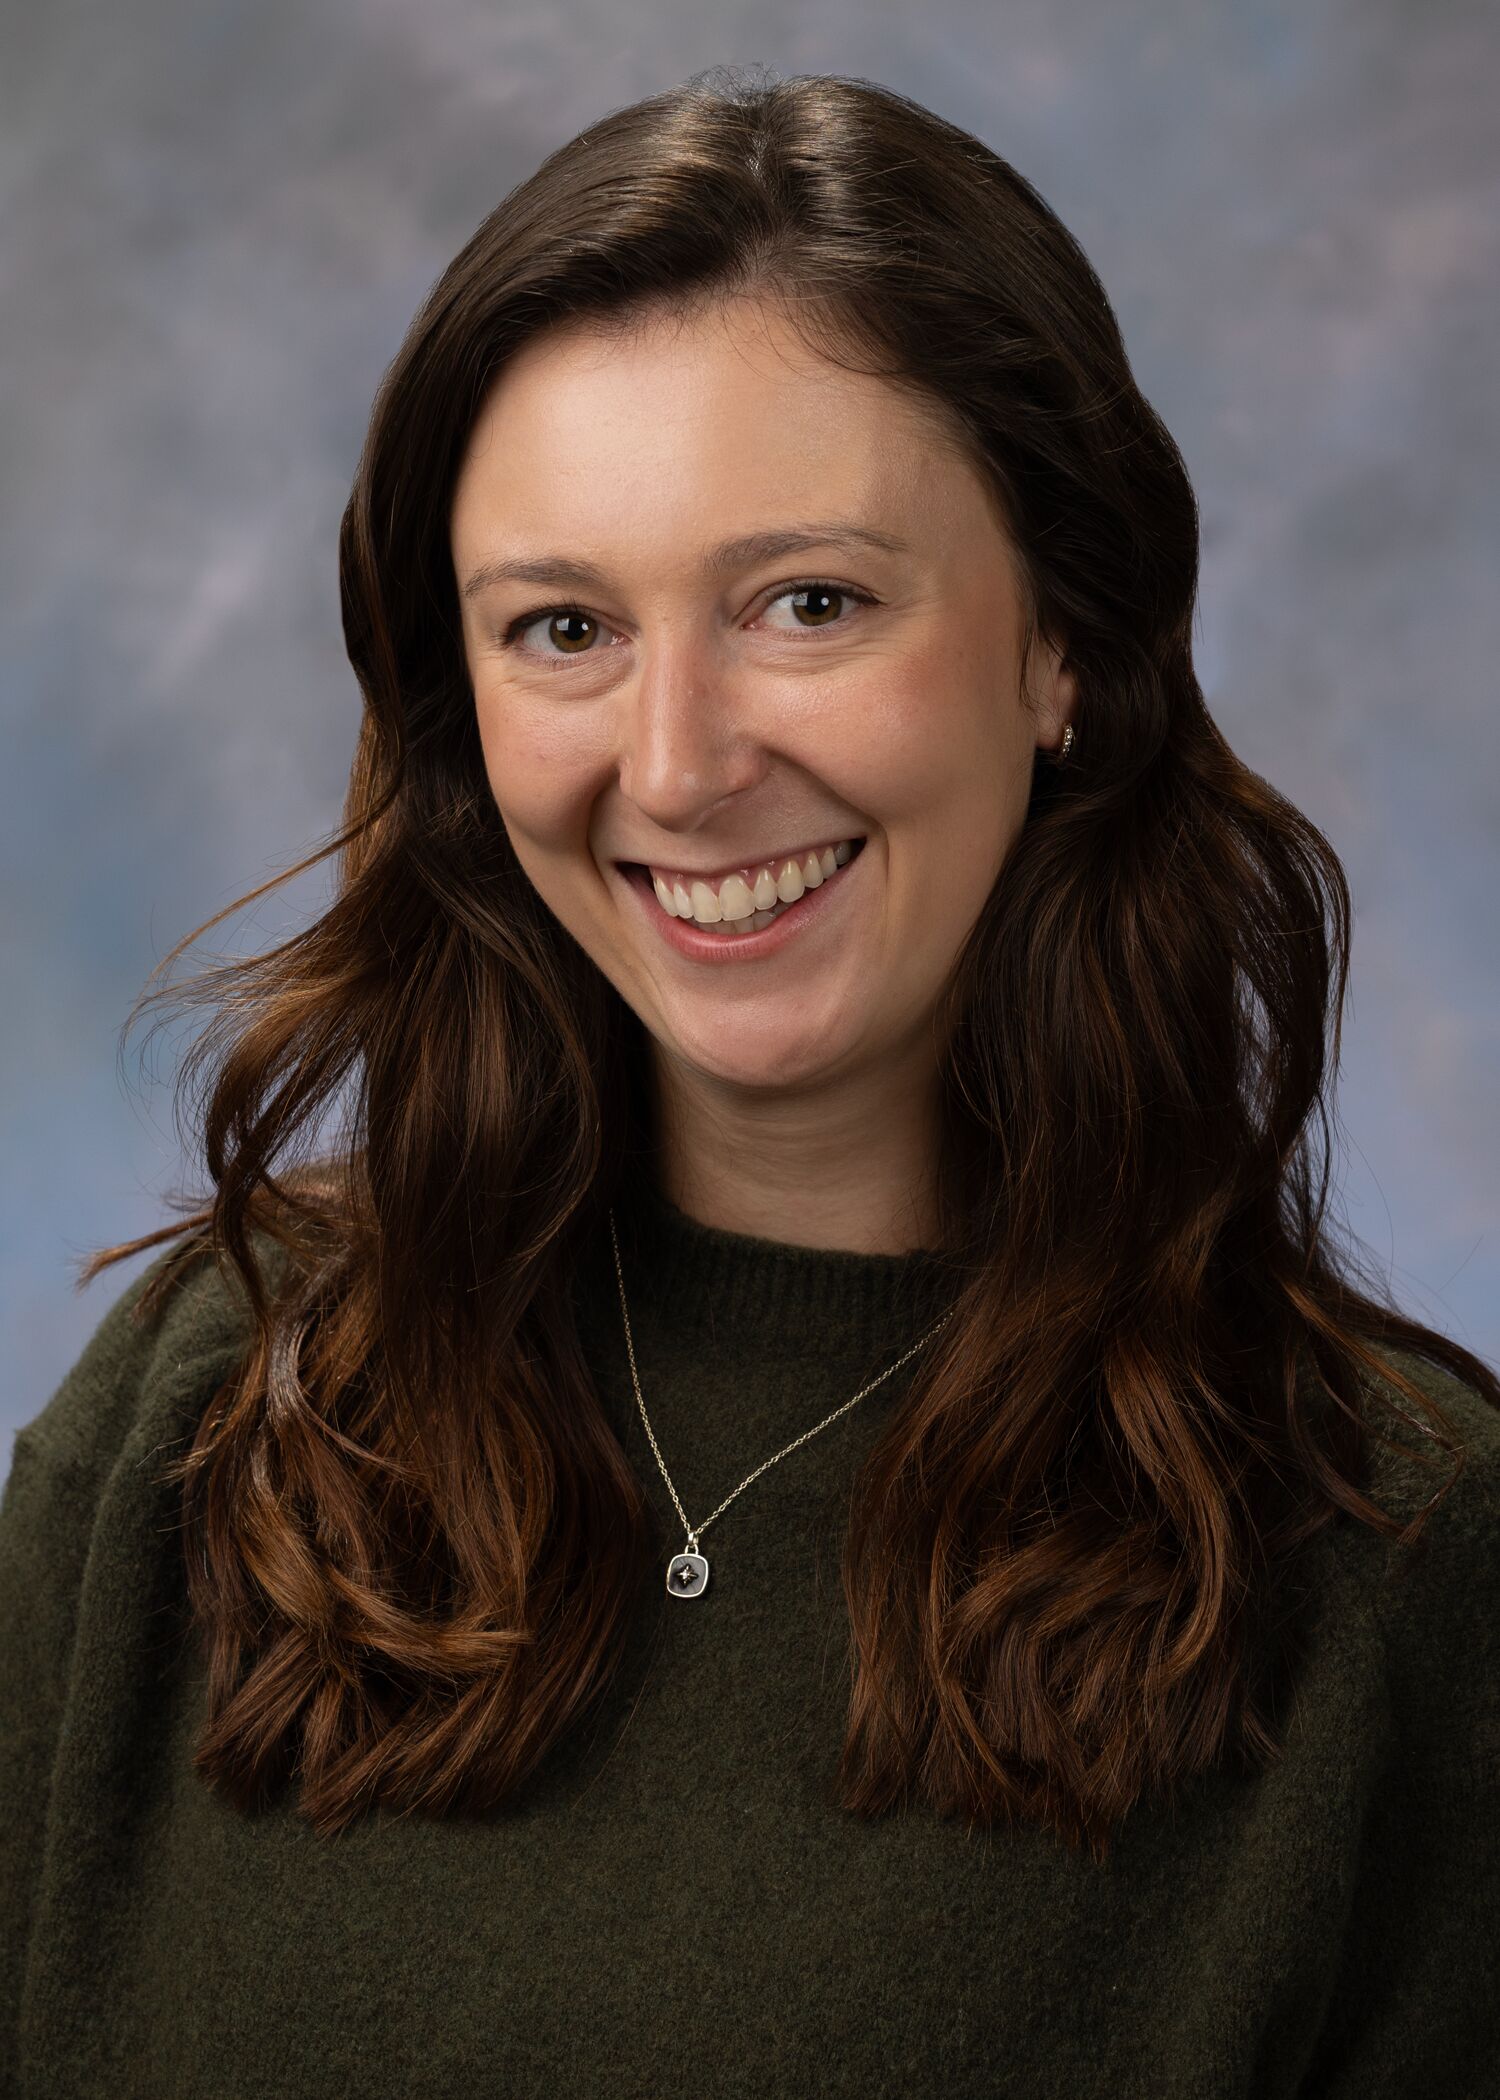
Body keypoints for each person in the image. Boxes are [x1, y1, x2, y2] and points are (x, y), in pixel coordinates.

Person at [2, 65, 1496, 2100]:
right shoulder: (211, 1407)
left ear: (1067, 642)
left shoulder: (1394, 1562)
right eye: (563, 628)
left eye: (809, 602)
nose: (682, 762)